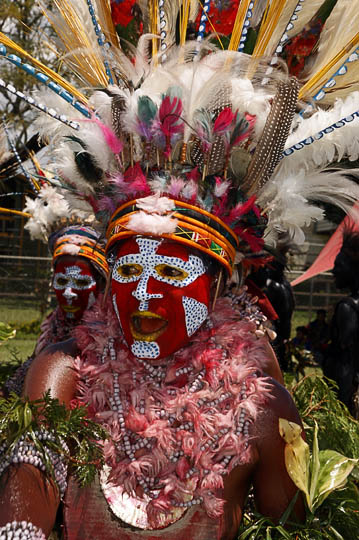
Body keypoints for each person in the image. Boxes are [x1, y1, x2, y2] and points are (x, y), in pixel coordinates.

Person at [1, 1, 359, 538]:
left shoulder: (262, 410)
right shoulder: (64, 373)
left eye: (170, 273)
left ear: (217, 284)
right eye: (126, 271)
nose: (144, 295)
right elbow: (21, 511)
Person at [4, 225, 108, 396]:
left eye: (81, 283)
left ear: (102, 284)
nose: (68, 293)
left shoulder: (111, 337)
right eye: (61, 281)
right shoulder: (54, 326)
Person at [324, 229, 359, 412]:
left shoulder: (347, 307)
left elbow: (345, 362)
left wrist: (340, 408)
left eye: (338, 265)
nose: (333, 271)